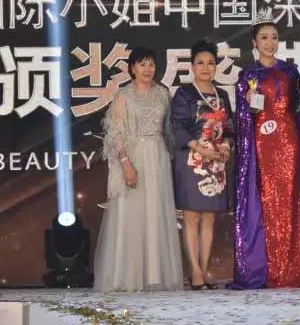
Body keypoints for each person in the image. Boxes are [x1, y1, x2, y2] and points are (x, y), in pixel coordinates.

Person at [231, 8, 300, 289]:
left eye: (274, 37)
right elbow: (244, 118)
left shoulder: (290, 71)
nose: (270, 42)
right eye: (264, 37)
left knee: (288, 202)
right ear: (254, 42)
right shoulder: (247, 75)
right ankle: (264, 269)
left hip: (288, 143)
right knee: (264, 201)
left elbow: (298, 109)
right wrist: (249, 102)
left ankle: (290, 270)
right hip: (262, 146)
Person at [93, 47, 183, 292]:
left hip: (159, 157)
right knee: (130, 214)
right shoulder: (123, 95)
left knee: (156, 213)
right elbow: (115, 133)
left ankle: (154, 275)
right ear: (132, 68)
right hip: (133, 157)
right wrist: (125, 164)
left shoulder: (163, 94)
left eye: (151, 64)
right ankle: (127, 277)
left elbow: (171, 130)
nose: (148, 69)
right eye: (142, 64)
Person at [171, 40, 234, 290]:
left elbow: (230, 128)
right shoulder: (184, 93)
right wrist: (200, 149)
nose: (206, 67)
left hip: (216, 163)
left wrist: (226, 147)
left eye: (210, 63)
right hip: (192, 160)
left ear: (216, 67)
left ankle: (204, 270)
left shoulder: (222, 95)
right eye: (200, 63)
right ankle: (195, 272)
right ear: (192, 66)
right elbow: (177, 127)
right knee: (191, 217)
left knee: (209, 218)